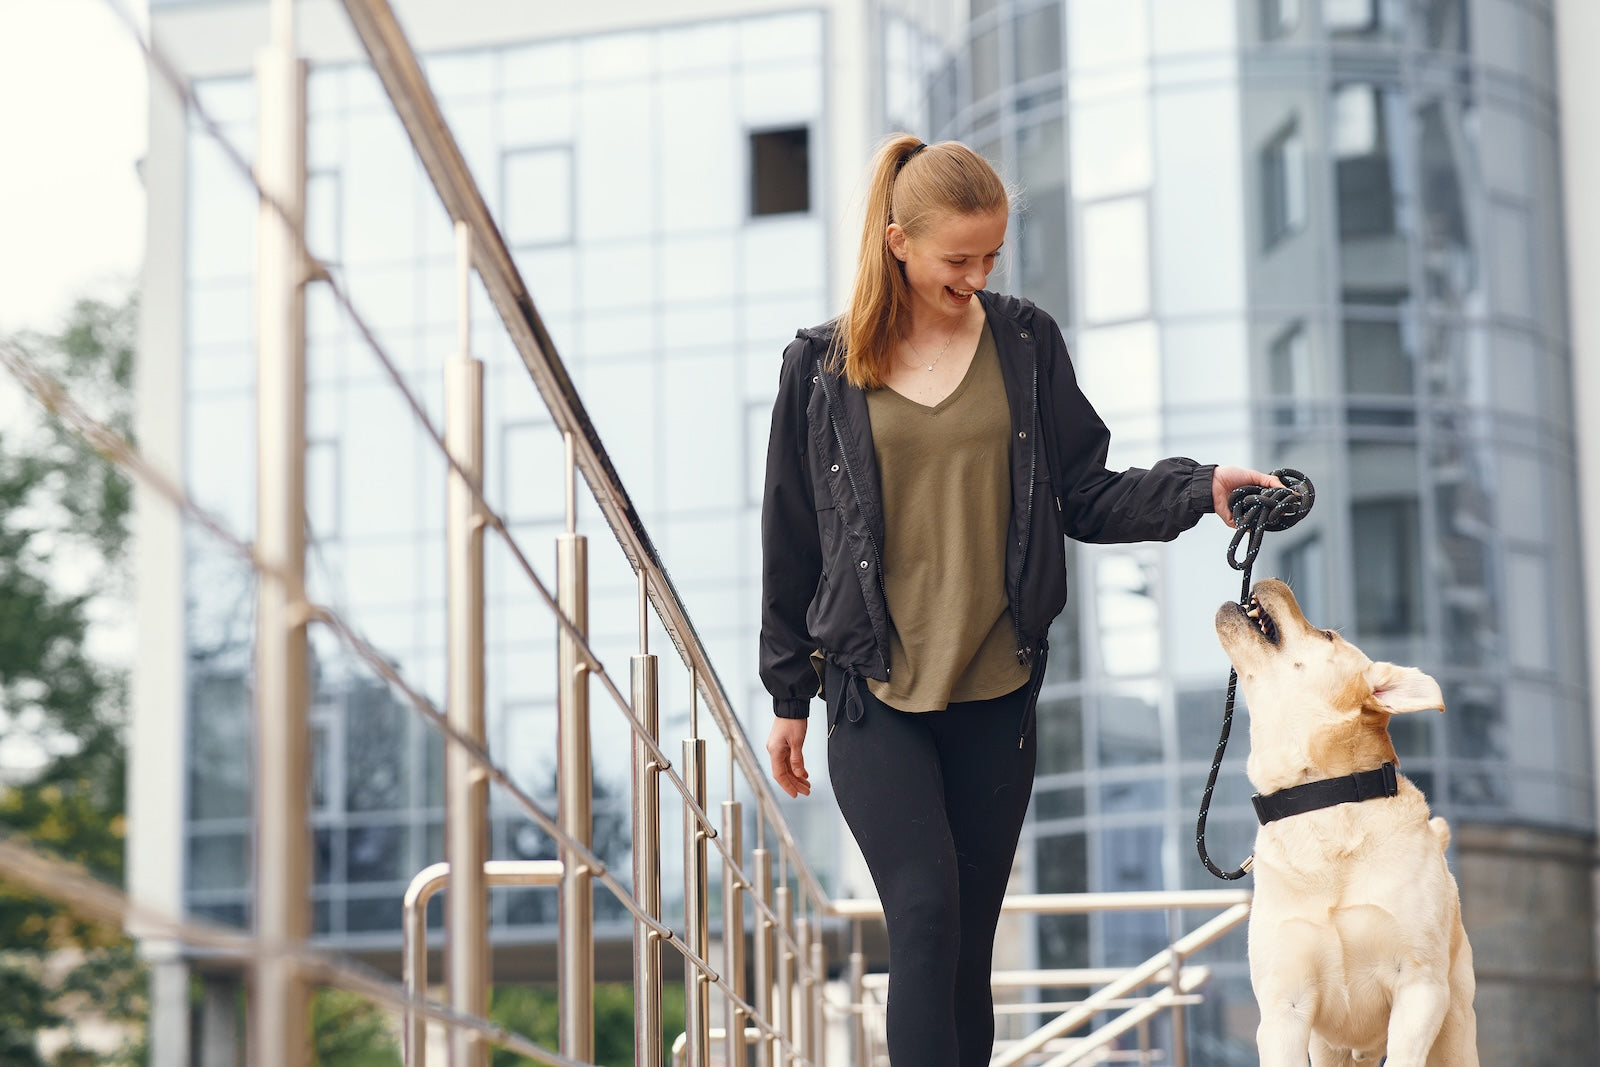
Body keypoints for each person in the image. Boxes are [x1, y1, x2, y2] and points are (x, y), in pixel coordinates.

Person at [758, 134, 1278, 1067]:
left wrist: (1201, 488)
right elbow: (792, 538)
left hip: (996, 692)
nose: (977, 275)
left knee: (964, 952)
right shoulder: (821, 368)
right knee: (921, 915)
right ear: (897, 242)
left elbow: (1083, 491)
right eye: (959, 258)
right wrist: (787, 694)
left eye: (991, 255)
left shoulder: (1026, 342)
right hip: (873, 694)